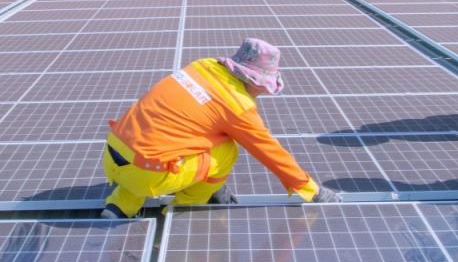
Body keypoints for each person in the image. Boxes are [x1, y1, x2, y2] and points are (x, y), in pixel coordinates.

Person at [100, 38, 340, 218]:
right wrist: (313, 190)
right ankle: (185, 207)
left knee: (164, 142)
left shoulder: (202, 66)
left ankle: (120, 205)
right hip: (148, 171)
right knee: (227, 151)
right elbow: (270, 153)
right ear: (254, 81)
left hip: (113, 153)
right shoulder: (237, 105)